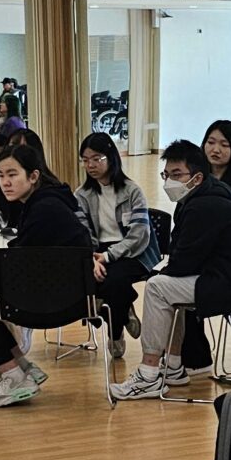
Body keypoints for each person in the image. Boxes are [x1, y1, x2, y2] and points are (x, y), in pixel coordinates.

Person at [110, 139, 231, 401]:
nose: (168, 181)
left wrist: (159, 273)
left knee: (158, 287)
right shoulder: (206, 195)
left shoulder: (202, 205)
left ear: (196, 177)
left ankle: (149, 375)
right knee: (167, 286)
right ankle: (172, 367)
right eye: (166, 174)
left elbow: (183, 262)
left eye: (176, 175)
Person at [0, 139, 93, 409]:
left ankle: (14, 375)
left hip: (55, 301)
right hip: (63, 292)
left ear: (33, 176)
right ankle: (23, 367)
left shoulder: (43, 209)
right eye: (0, 176)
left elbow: (19, 267)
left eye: (12, 175)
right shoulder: (46, 201)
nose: (5, 182)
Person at [77, 131, 154, 358]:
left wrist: (109, 256)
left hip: (135, 252)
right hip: (98, 251)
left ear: (111, 157)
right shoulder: (81, 195)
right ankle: (125, 306)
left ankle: (115, 331)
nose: (90, 165)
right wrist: (93, 257)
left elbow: (139, 234)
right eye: (85, 160)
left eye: (96, 158)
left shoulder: (132, 191)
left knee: (113, 281)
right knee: (96, 280)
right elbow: (83, 233)